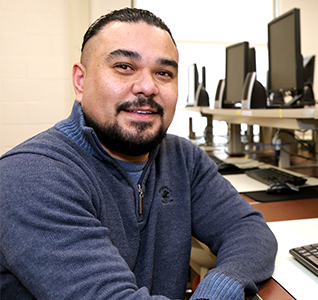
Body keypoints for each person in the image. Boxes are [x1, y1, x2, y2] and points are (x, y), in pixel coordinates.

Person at [0, 7, 276, 300]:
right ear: (80, 82)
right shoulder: (29, 177)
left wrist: (221, 285)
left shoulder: (182, 158)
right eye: (124, 67)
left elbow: (248, 230)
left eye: (163, 73)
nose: (147, 87)